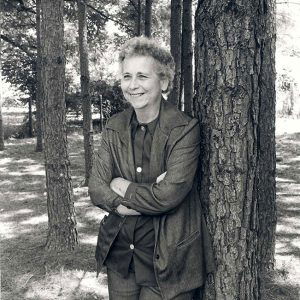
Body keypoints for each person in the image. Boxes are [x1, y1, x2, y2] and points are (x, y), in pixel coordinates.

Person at [89, 36, 215, 300]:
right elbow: (97, 189)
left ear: (164, 82)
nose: (132, 85)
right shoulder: (114, 127)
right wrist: (147, 191)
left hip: (169, 257)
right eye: (126, 76)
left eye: (142, 76)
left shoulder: (184, 129)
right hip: (121, 253)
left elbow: (168, 196)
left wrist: (122, 186)